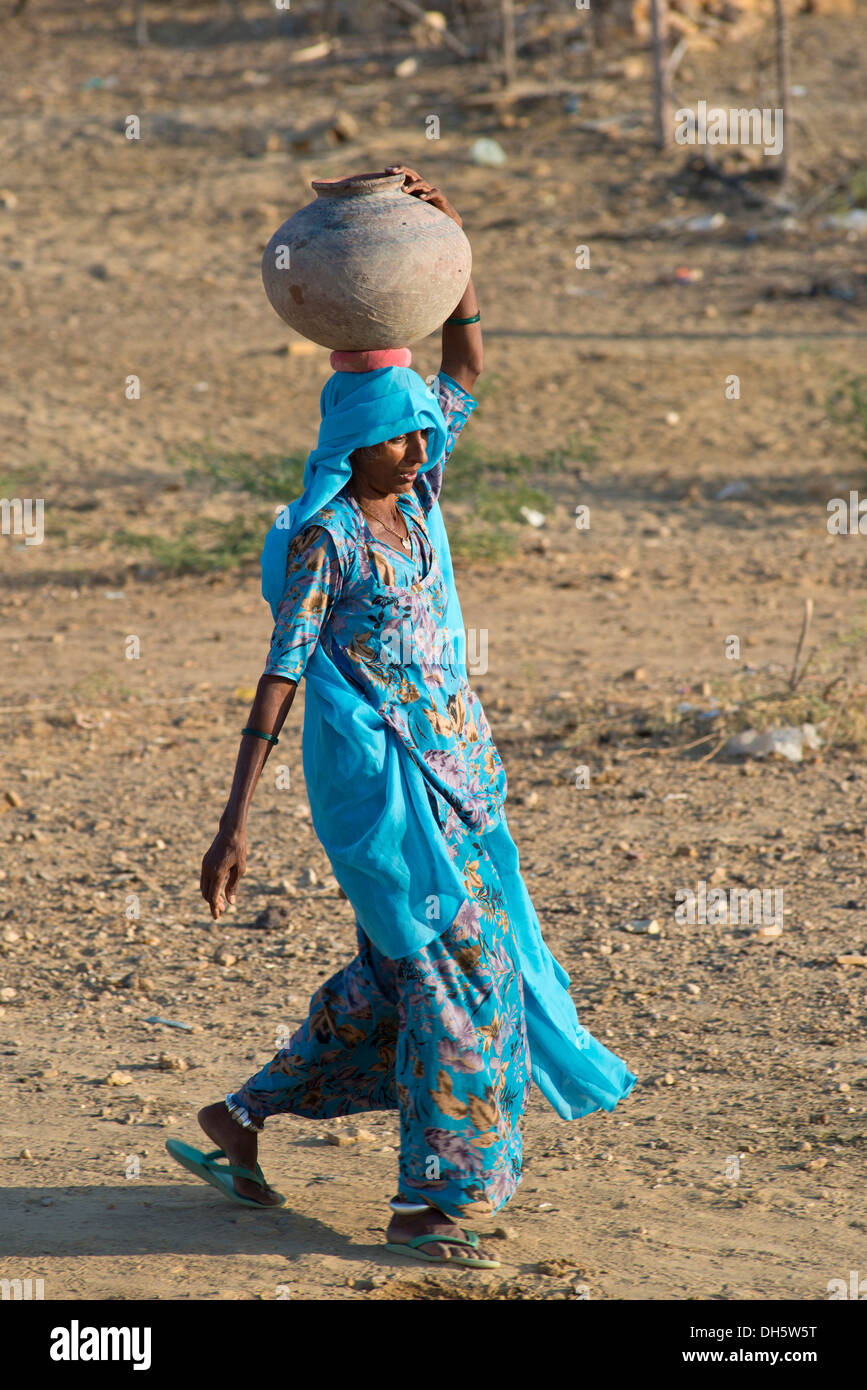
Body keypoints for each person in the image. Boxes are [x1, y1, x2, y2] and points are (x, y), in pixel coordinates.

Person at [168, 166, 636, 1268]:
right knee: (463, 974)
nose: (421, 450)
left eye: (425, 434)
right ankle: (436, 1201)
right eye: (399, 439)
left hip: (459, 776)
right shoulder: (327, 541)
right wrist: (235, 822)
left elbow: (464, 362)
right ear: (349, 447)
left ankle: (243, 1115)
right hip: (377, 795)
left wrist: (453, 251)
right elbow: (279, 676)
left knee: (399, 974)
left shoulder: (419, 498)